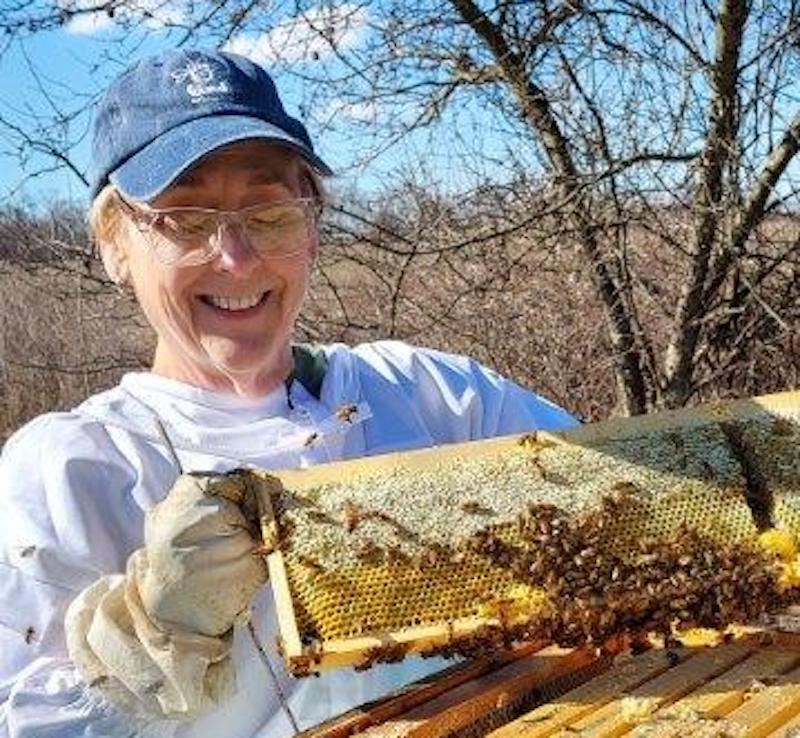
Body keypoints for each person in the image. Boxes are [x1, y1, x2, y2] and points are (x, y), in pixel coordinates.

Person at [0, 48, 578, 737]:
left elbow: (638, 508)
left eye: (270, 213)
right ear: (115, 243)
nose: (237, 259)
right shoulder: (66, 474)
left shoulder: (437, 396)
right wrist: (147, 637)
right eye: (185, 219)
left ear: (313, 227)